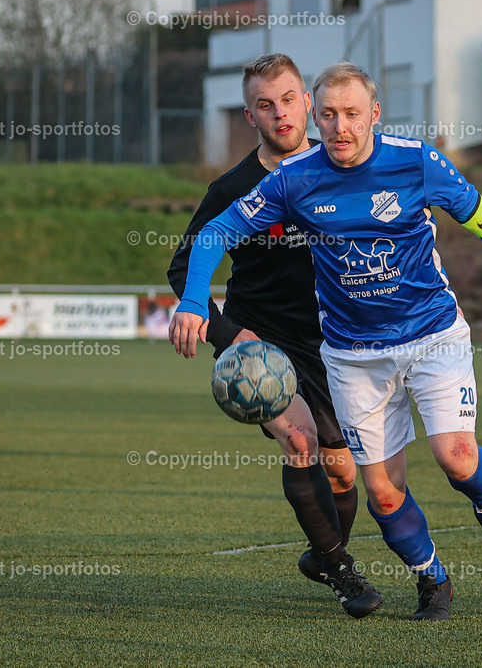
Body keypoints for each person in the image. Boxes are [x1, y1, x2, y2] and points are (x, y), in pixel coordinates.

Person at [170, 62, 482, 621]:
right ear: (317, 118)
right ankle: (432, 580)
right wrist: (193, 300)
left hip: (431, 334)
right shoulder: (293, 179)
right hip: (352, 355)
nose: (340, 127)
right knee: (383, 493)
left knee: (457, 458)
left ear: (375, 113)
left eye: (352, 114)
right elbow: (215, 233)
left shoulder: (417, 162)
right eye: (330, 115)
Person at [166, 54, 382, 618]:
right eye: (265, 105)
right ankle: (343, 573)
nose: (280, 114)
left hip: (331, 342)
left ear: (307, 103)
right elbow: (183, 266)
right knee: (301, 442)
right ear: (250, 116)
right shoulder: (231, 188)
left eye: (288, 100)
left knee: (343, 468)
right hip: (259, 345)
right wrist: (226, 331)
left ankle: (324, 552)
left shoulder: (342, 168)